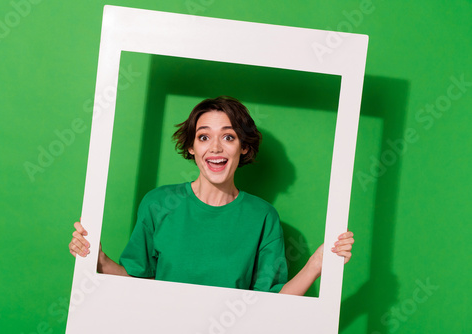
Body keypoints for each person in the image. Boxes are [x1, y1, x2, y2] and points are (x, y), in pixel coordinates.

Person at [69, 96, 354, 296]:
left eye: (228, 136)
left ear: (243, 147)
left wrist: (316, 265)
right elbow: (134, 285)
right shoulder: (158, 204)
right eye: (204, 137)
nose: (215, 147)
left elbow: (272, 303)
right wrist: (99, 259)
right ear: (191, 147)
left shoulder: (263, 217)